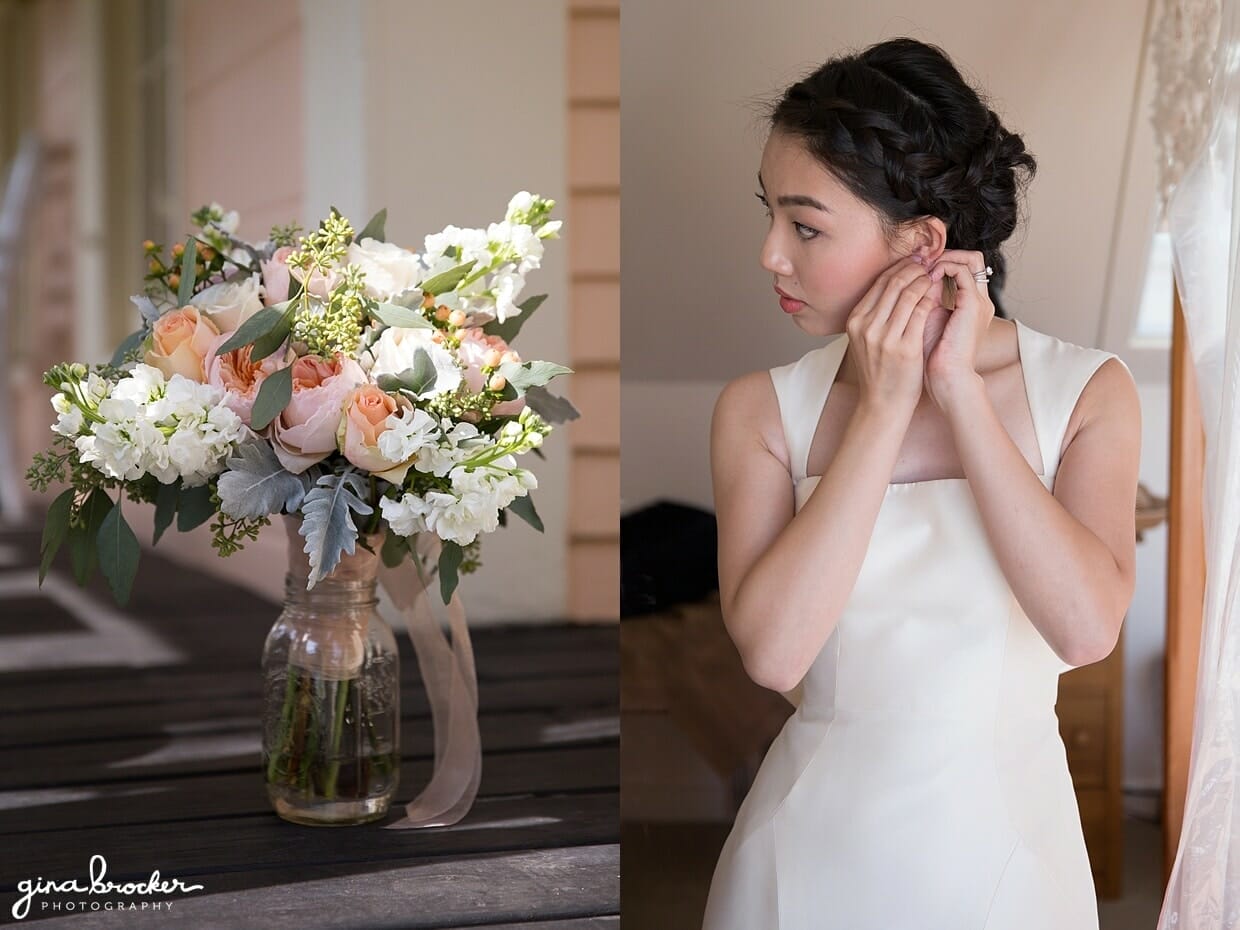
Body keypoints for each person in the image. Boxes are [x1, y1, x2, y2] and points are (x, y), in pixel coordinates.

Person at [701, 36, 1141, 930]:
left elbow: (1087, 630)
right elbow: (775, 655)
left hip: (1010, 857)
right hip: (805, 858)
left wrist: (959, 396)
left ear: (923, 244)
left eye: (805, 225)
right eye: (770, 217)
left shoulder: (1089, 393)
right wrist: (881, 411)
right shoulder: (759, 411)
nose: (769, 255)